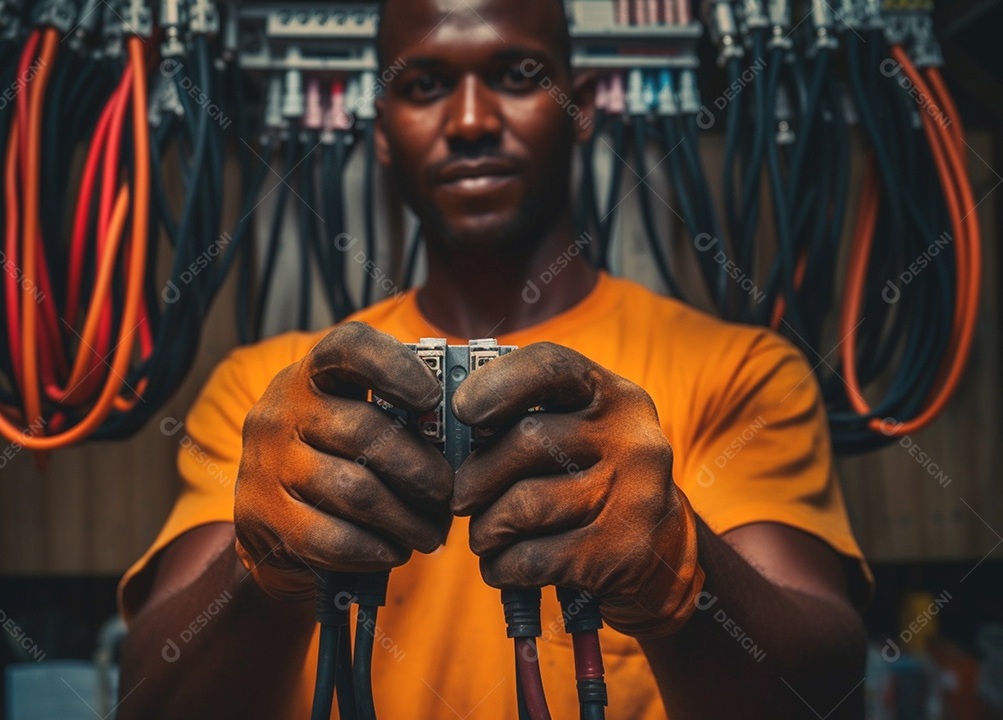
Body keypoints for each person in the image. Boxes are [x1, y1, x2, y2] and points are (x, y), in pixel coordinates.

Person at [117, 0, 872, 717]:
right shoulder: (272, 394)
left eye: (517, 76)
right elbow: (145, 703)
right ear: (381, 128)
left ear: (578, 106)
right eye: (423, 85)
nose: (472, 121)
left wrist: (679, 568)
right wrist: (261, 573)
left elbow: (830, 694)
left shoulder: (740, 373)